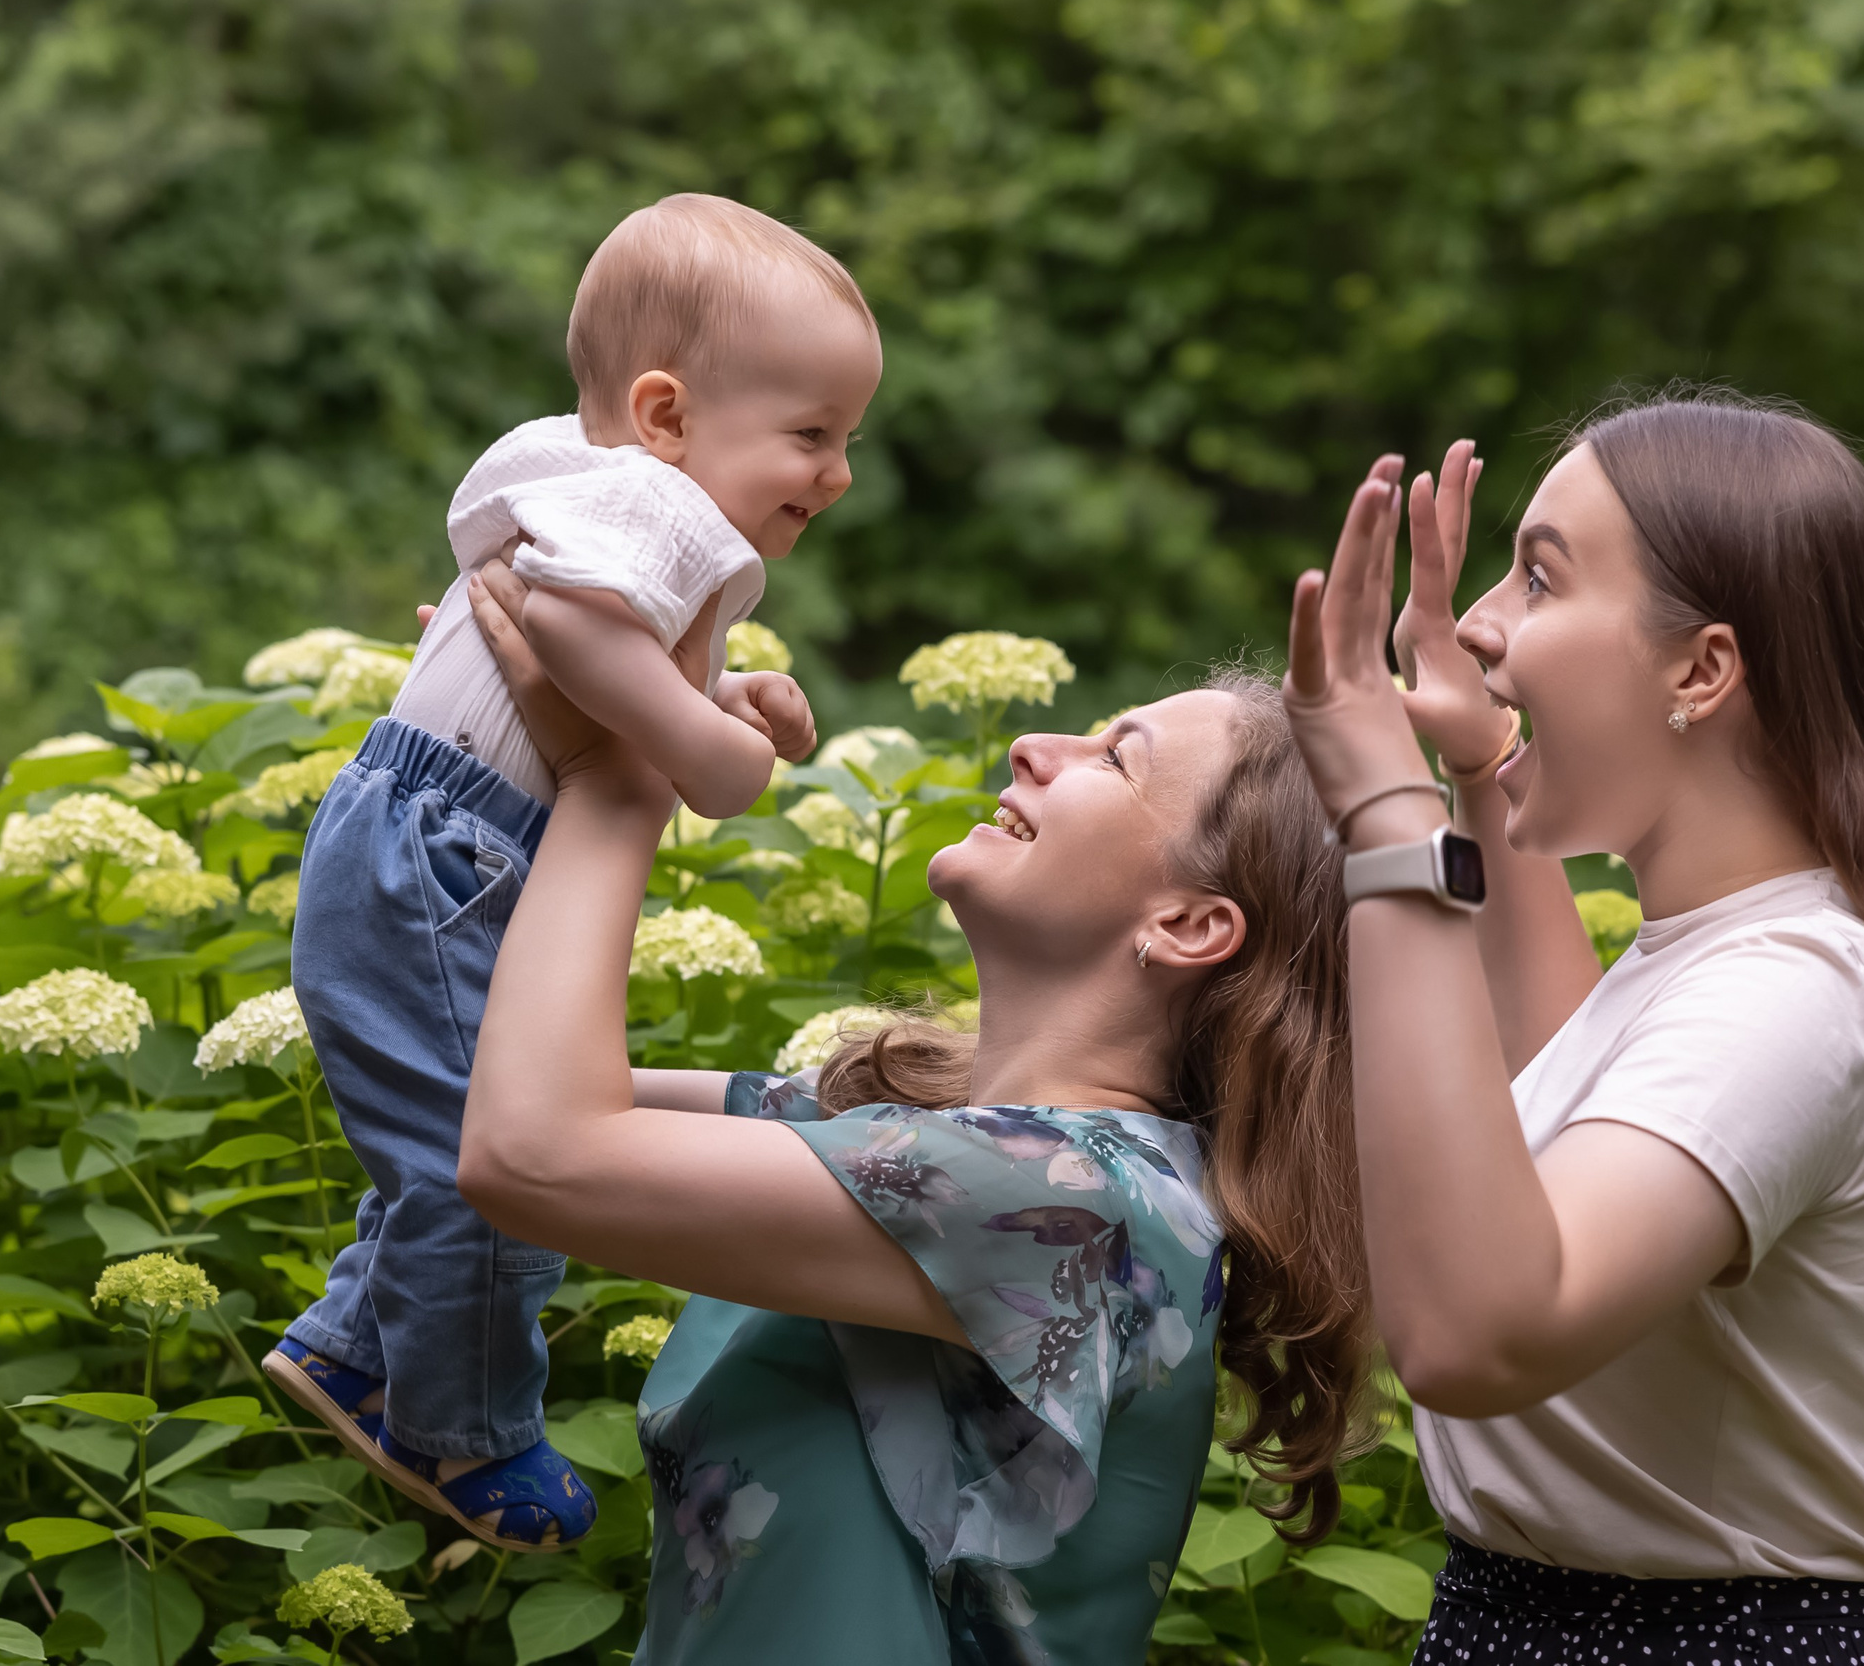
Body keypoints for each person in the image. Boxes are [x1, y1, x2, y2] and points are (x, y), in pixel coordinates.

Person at [450, 562, 1378, 1663]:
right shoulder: (925, 1139)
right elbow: (486, 1086)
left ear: (1187, 925)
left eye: (1115, 758)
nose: (1037, 745)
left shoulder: (1072, 1199)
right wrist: (480, 745)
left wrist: (619, 776)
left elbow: (534, 1153)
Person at [1281, 390, 1864, 1663]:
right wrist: (1470, 771)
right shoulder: (1731, 958)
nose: (1472, 625)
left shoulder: (1803, 989)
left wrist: (1392, 830)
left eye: (1537, 578)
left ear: (1702, 670)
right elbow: (1581, 1097)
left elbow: (1481, 1328)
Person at [264, 193, 880, 1551]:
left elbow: (620, 659)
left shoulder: (592, 482)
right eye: (810, 434)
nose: (836, 473)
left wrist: (738, 696)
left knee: (449, 1119)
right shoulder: (651, 507)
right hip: (451, 847)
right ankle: (463, 1428)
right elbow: (583, 648)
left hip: (433, 837)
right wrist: (719, 765)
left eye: (848, 437)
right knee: (495, 1168)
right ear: (664, 414)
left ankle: (355, 1348)